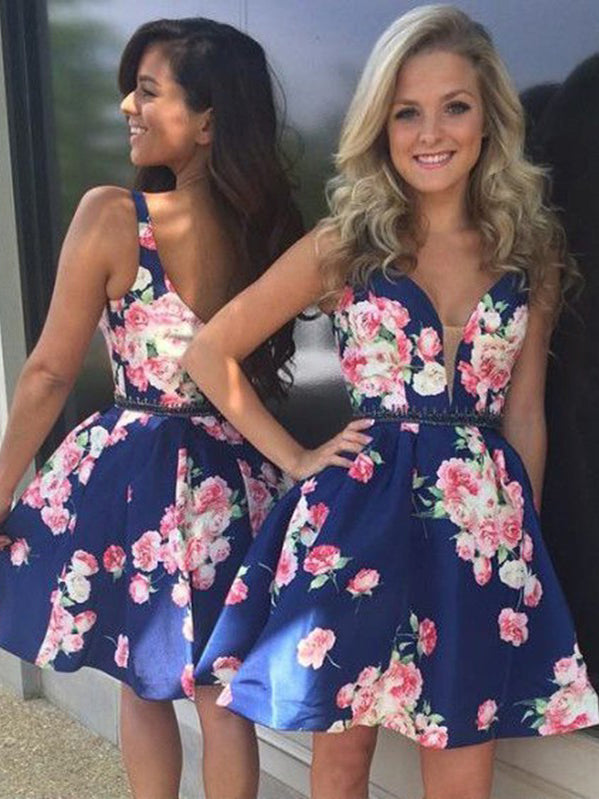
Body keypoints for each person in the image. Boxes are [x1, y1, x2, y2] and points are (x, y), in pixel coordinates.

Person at [183, 6, 599, 799]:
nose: (429, 132)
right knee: (340, 765)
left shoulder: (528, 250)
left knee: (461, 765)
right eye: (406, 111)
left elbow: (525, 413)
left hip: (478, 533)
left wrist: (523, 550)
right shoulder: (346, 243)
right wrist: (297, 456)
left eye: (454, 106)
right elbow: (210, 352)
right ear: (380, 124)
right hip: (356, 521)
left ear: (488, 118)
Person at [0, 17, 302, 799]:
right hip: (235, 475)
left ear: (206, 121)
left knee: (144, 678)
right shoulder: (264, 234)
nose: (127, 108)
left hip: (138, 475)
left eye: (146, 91)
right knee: (221, 692)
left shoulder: (113, 215)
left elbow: (47, 373)